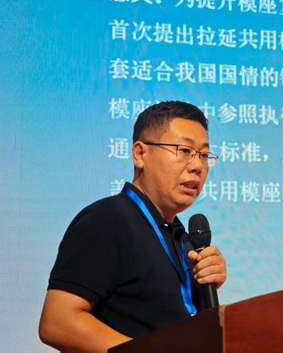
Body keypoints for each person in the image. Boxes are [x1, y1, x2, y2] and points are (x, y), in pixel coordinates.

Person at [39, 101, 227, 353]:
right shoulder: (106, 220)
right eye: (184, 150)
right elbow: (58, 323)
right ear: (140, 154)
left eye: (203, 155)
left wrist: (205, 290)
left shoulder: (183, 239)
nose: (197, 166)